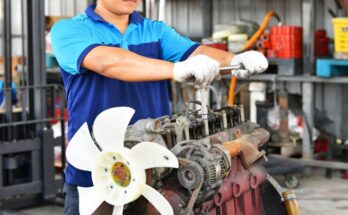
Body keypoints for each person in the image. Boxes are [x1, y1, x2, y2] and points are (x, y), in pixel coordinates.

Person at [50, 0, 268, 214]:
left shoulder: (155, 31)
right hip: (96, 176)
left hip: (153, 174)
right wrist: (175, 69)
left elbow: (196, 52)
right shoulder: (69, 29)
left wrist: (235, 60)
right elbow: (107, 62)